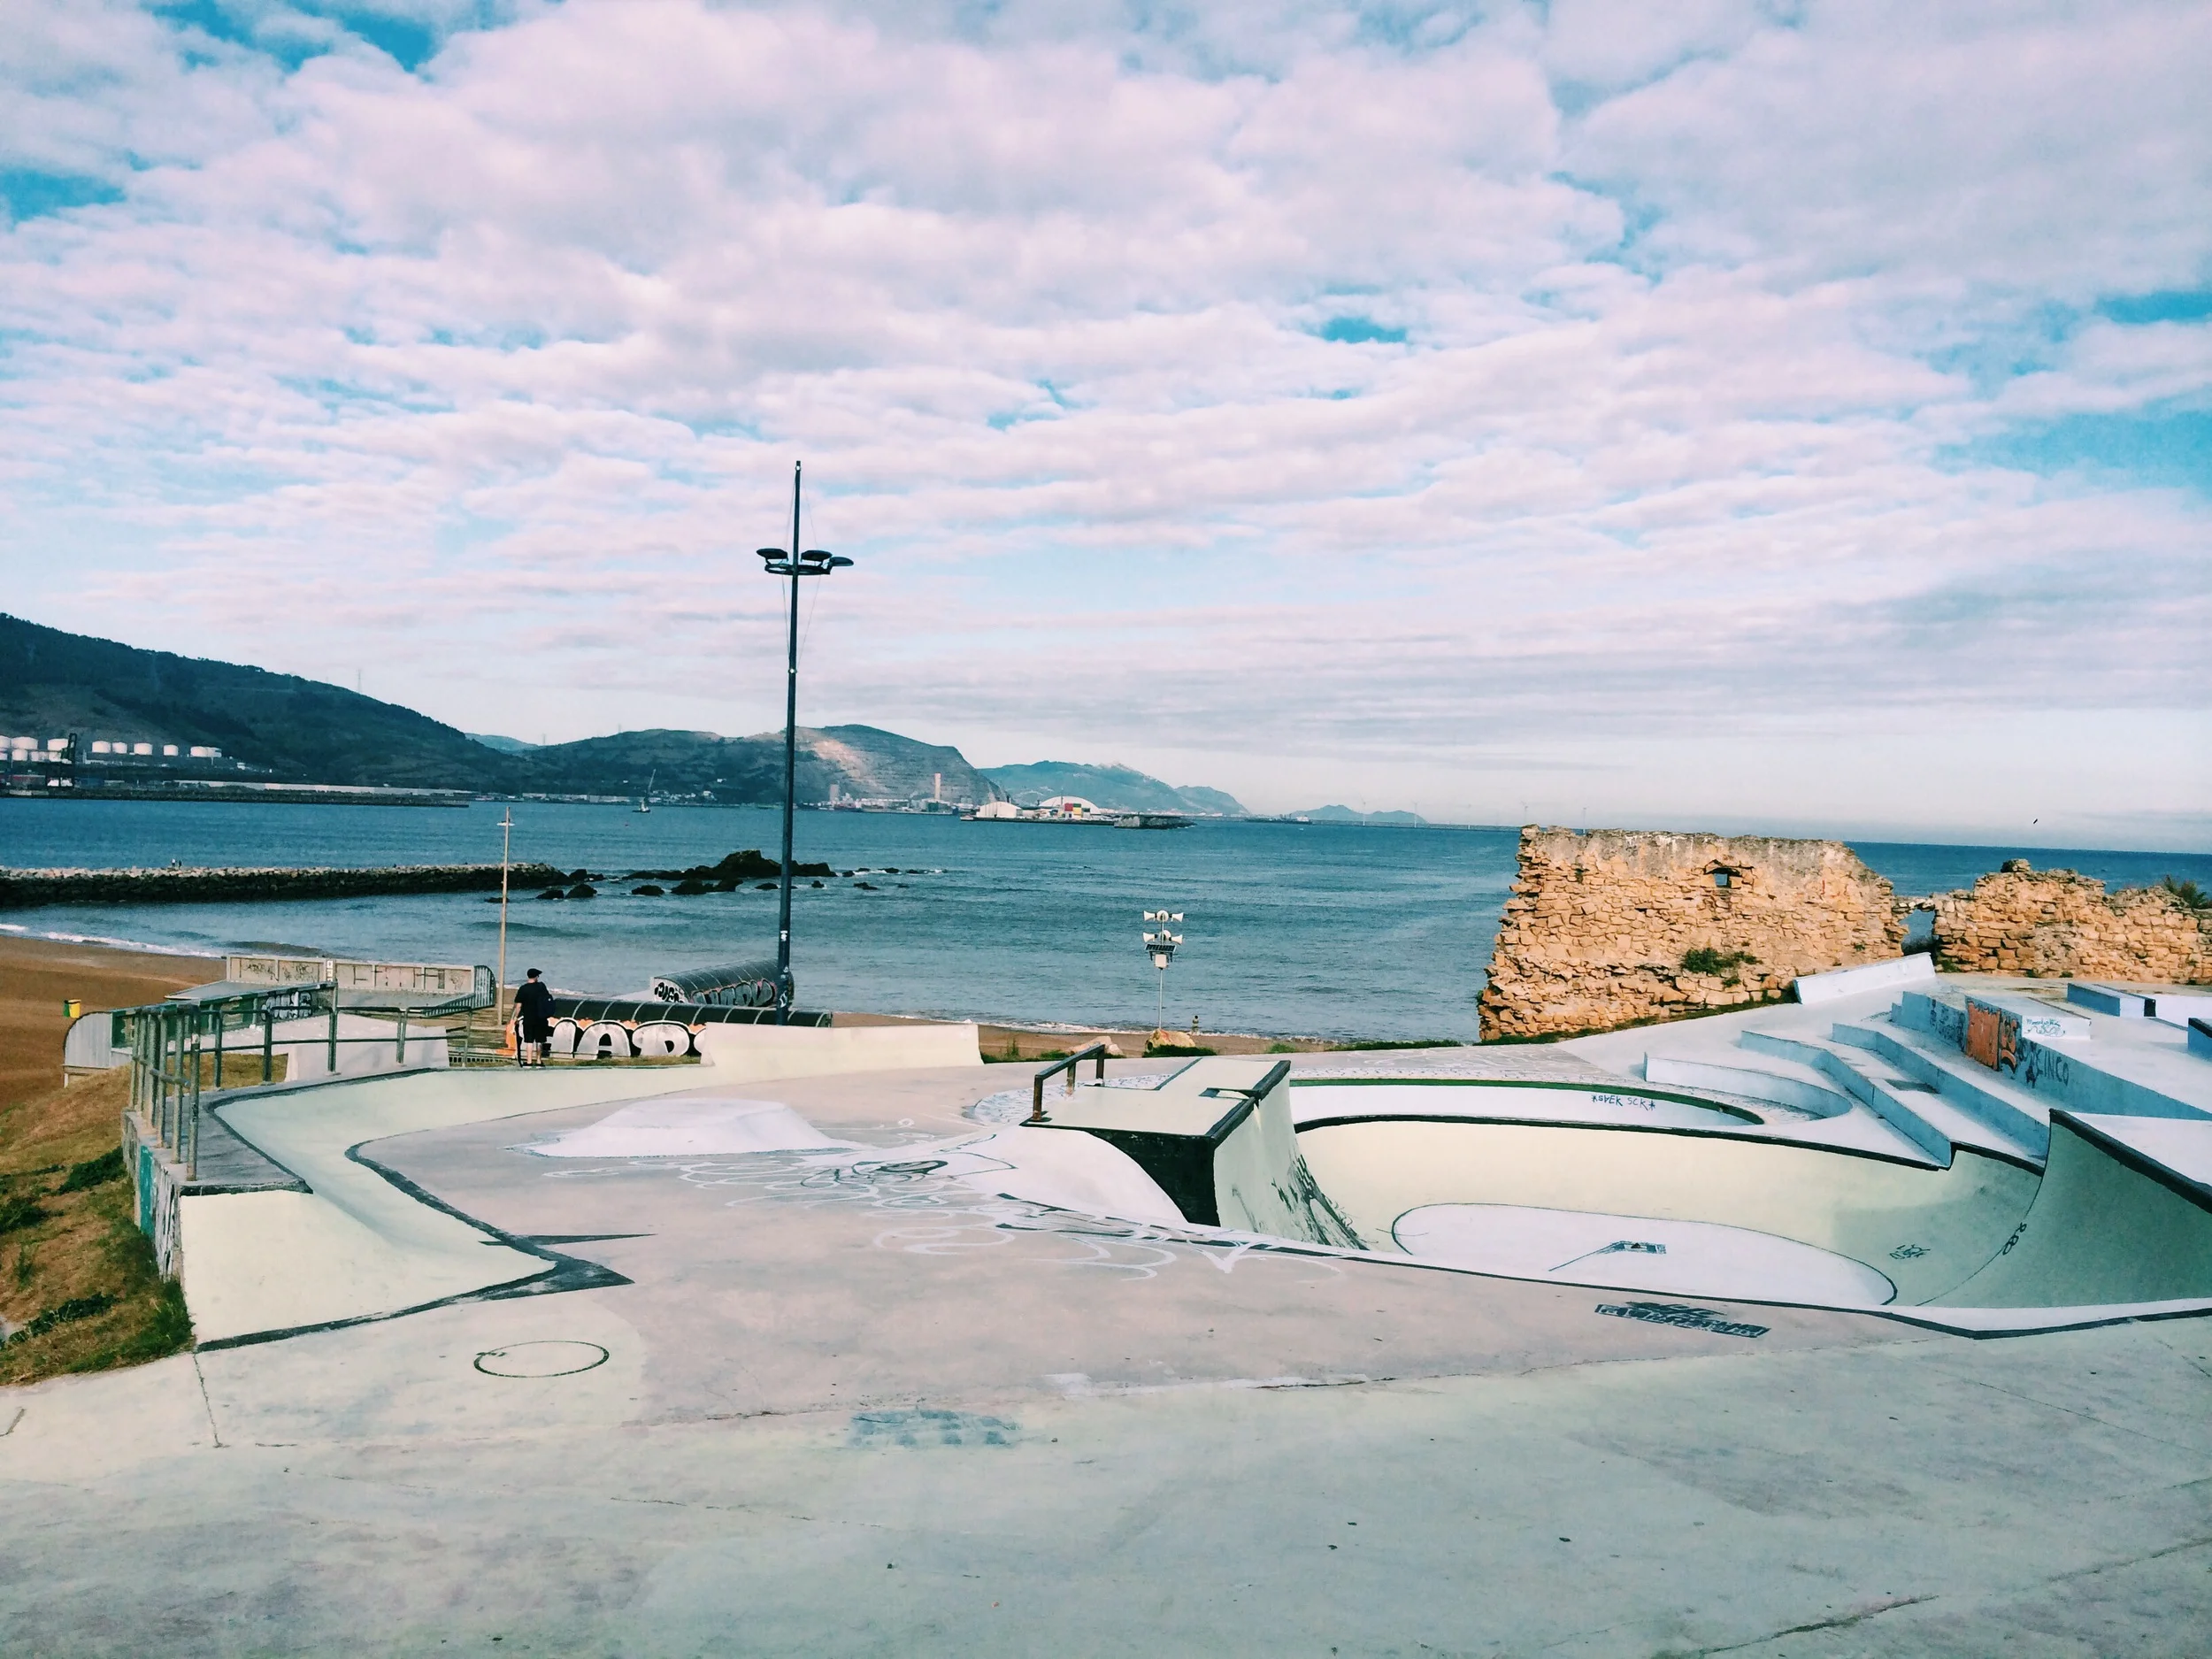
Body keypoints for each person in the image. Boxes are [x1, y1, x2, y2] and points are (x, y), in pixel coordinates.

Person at [513, 968, 555, 1068]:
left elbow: (518, 1005)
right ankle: (539, 1061)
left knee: (529, 1040)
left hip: (528, 1017)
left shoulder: (523, 989)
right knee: (540, 1040)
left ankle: (528, 1061)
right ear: (536, 977)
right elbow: (547, 1000)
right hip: (540, 1017)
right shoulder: (541, 987)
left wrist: (515, 1018)